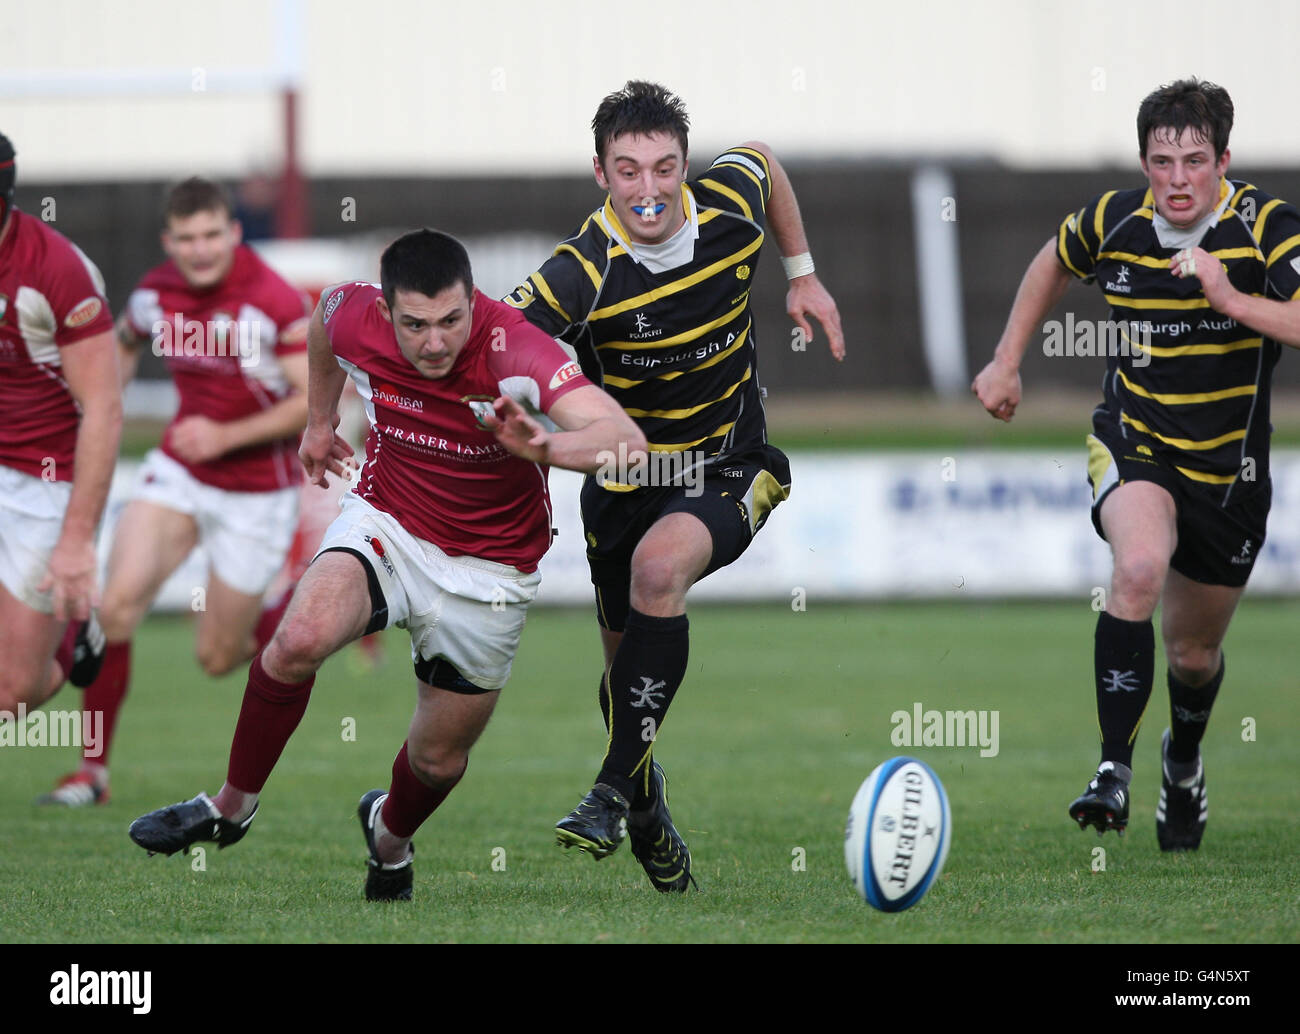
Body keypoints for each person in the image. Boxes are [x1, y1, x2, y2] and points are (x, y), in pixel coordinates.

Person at [127, 229, 646, 902]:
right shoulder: (353, 313)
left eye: (451, 321)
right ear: (387, 310)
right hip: (387, 524)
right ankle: (230, 808)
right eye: (415, 325)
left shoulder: (514, 346)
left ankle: (390, 839)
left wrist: (547, 446)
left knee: (437, 760)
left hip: (489, 572)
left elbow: (625, 443)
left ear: (471, 302)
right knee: (298, 639)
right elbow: (322, 324)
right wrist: (318, 422)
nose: (435, 342)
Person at [506, 80, 844, 890]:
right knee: (623, 681)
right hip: (621, 484)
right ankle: (649, 811)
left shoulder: (728, 204)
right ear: (600, 174)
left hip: (731, 464)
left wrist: (801, 273)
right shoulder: (577, 273)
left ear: (687, 165)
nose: (649, 191)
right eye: (629, 172)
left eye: (665, 168)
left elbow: (763, 160)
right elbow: (502, 341)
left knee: (662, 573)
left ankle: (609, 794)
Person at [972, 78, 1300, 850]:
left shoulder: (1265, 228)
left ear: (1225, 159)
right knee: (1139, 568)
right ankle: (1112, 770)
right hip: (1135, 438)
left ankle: (1180, 763)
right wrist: (1006, 361)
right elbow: (1053, 258)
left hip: (1229, 477)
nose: (1178, 179)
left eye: (1194, 161)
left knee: (1192, 654)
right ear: (1145, 162)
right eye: (1162, 161)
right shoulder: (1114, 220)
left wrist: (1233, 299)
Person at [37, 177, 312, 806]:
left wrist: (223, 435)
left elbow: (312, 403)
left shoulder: (271, 299)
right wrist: (96, 408)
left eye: (212, 234)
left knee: (217, 658)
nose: (201, 249)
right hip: (180, 473)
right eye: (187, 238)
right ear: (169, 241)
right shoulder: (154, 295)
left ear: (234, 233)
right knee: (115, 606)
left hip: (255, 494)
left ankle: (296, 615)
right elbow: (122, 350)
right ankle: (92, 774)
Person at [0, 131, 121, 723]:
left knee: (12, 693)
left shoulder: (57, 271)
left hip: (41, 481)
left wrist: (76, 541)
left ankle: (74, 635)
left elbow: (104, 407)